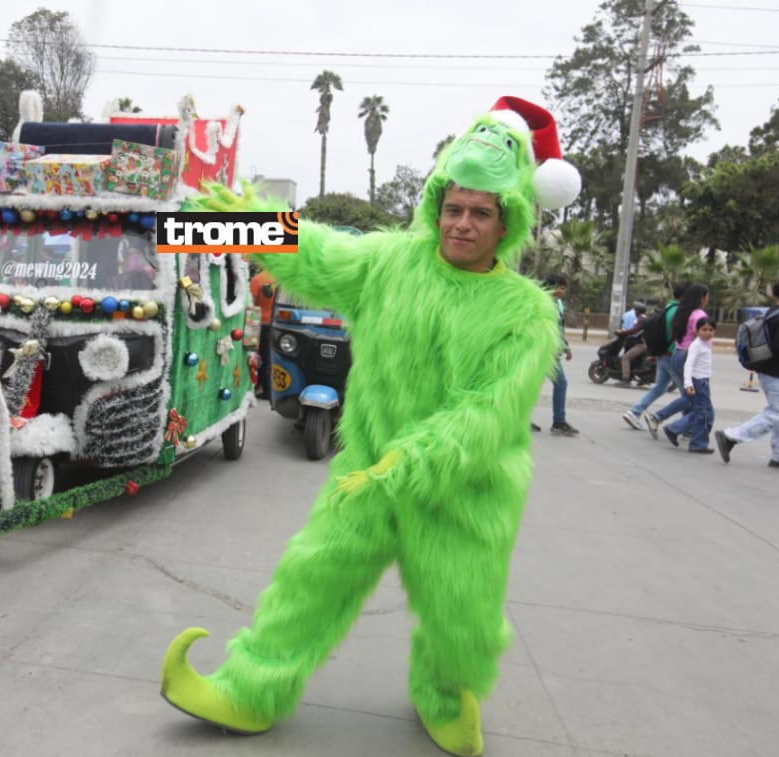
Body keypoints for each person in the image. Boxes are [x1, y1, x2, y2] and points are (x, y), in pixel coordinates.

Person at [159, 95, 582, 756]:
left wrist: (414, 460)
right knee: (310, 577)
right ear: (436, 205)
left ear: (507, 222)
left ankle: (445, 693)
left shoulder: (525, 312)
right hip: (367, 472)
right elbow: (317, 252)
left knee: (460, 616)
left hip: (463, 489)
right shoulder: (390, 264)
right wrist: (241, 223)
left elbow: (489, 410)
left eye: (480, 212)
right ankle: (249, 688)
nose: (462, 224)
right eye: (454, 207)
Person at [716, 276, 779, 470]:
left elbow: (776, 342)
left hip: (768, 368)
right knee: (777, 412)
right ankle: (731, 436)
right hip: (778, 371)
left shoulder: (772, 312)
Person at [644, 283, 709, 439]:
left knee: (689, 396)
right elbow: (700, 338)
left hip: (678, 354)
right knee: (694, 398)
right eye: (706, 296)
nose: (707, 299)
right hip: (688, 356)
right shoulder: (698, 315)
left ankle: (686, 427)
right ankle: (660, 419)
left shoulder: (681, 312)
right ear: (701, 298)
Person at [622, 283, 687, 430]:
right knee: (688, 394)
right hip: (672, 355)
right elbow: (678, 337)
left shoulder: (668, 308)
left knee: (660, 388)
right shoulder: (680, 312)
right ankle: (684, 426)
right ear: (684, 296)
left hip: (662, 355)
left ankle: (634, 412)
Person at [663, 317, 717, 453]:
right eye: (704, 329)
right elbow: (689, 364)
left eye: (711, 330)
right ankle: (698, 443)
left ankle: (674, 429)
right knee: (705, 413)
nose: (708, 332)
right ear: (697, 331)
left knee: (702, 412)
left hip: (703, 380)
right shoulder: (696, 345)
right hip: (698, 381)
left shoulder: (706, 343)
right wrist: (688, 384)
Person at [542, 272, 578, 436]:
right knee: (561, 384)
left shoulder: (556, 304)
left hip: (551, 351)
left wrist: (566, 347)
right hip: (545, 352)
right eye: (561, 288)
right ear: (552, 287)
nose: (563, 291)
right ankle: (559, 421)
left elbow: (559, 329)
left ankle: (521, 419)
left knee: (533, 386)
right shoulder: (542, 303)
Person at [249, 269, 276, 398]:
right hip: (277, 324)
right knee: (272, 356)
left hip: (259, 323)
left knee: (257, 356)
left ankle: (259, 386)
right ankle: (270, 389)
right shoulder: (281, 279)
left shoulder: (257, 280)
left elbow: (252, 304)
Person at [617, 302, 647, 381]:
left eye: (635, 310)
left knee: (625, 358)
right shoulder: (644, 318)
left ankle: (625, 378)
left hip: (642, 344)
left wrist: (623, 332)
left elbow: (634, 330)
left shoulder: (641, 319)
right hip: (641, 342)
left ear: (637, 311)